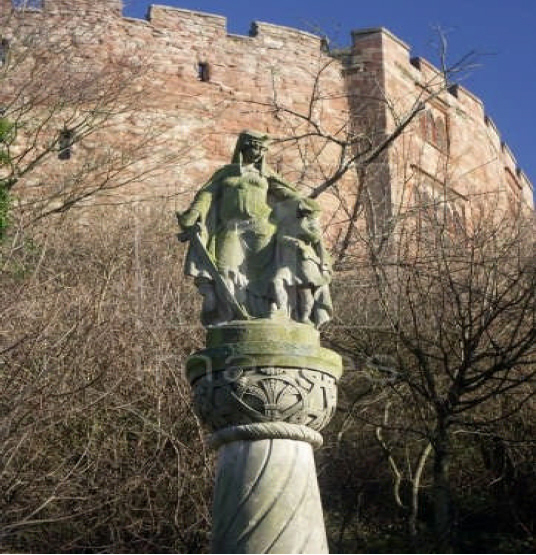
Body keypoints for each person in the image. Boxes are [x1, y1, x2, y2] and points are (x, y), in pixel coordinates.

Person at [177, 130, 301, 325]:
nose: (258, 153)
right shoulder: (225, 173)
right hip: (231, 228)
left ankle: (269, 316)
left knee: (264, 275)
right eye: (255, 147)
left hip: (262, 228)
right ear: (244, 146)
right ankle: (229, 316)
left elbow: (290, 195)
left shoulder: (266, 174)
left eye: (262, 149)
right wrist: (192, 214)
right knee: (225, 269)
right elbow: (206, 196)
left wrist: (304, 210)